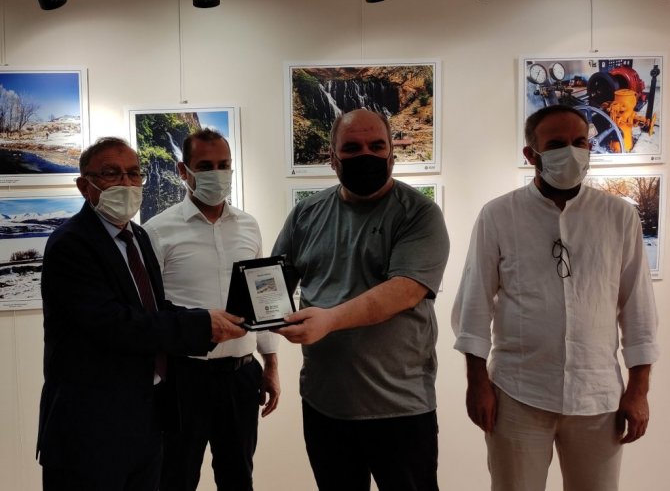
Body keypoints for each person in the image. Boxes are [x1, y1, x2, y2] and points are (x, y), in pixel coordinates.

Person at [451, 104, 660, 491]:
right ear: (531, 154)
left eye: (580, 142)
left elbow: (638, 310)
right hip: (517, 393)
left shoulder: (618, 216)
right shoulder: (499, 215)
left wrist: (639, 390)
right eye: (557, 144)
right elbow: (474, 304)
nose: (572, 152)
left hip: (597, 396)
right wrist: (477, 384)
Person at [36, 137, 247, 491]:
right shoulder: (70, 243)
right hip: (89, 429)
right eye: (111, 173)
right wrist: (200, 325)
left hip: (144, 423)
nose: (127, 183)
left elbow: (153, 308)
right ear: (84, 186)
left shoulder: (137, 237)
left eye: (134, 173)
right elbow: (115, 324)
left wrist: (210, 320)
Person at [272, 108, 449, 491]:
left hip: (400, 409)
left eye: (376, 146)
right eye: (352, 148)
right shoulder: (306, 214)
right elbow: (273, 283)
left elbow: (405, 290)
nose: (365, 155)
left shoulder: (419, 214)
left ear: (391, 155)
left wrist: (329, 320)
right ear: (332, 158)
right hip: (324, 405)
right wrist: (246, 314)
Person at [143, 128, 280, 491]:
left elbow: (262, 298)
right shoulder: (157, 231)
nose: (217, 174)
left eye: (224, 165)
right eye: (205, 166)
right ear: (183, 170)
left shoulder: (249, 226)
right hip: (183, 379)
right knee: (175, 478)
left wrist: (271, 364)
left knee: (239, 478)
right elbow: (151, 312)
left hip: (241, 375)